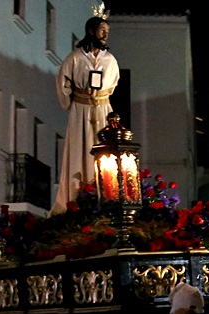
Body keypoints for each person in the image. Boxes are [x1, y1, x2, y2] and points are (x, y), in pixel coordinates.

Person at [53, 12, 120, 214]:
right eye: (102, 31)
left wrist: (101, 96)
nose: (105, 35)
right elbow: (62, 83)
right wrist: (73, 99)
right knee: (79, 149)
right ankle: (75, 198)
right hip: (80, 110)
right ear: (91, 31)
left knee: (104, 152)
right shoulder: (74, 58)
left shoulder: (110, 60)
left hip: (102, 109)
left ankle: (103, 196)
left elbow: (114, 83)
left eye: (107, 32)